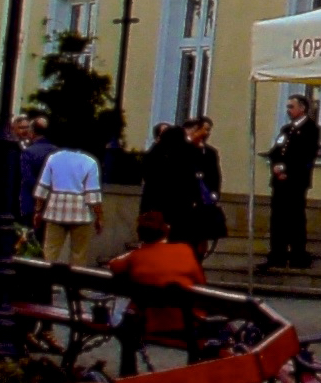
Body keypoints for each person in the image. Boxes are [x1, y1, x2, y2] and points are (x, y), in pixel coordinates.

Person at [107, 209, 206, 366]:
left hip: (151, 323)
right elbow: (201, 283)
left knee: (126, 322)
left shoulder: (135, 257)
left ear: (139, 233)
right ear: (166, 229)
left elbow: (113, 265)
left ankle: (128, 373)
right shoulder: (185, 251)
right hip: (189, 325)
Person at [265, 94, 321, 269]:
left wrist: (287, 171)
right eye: (288, 106)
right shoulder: (286, 129)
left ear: (302, 108)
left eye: (291, 106)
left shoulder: (311, 129)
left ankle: (298, 254)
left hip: (296, 181)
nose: (288, 110)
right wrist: (276, 167)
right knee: (278, 218)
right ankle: (277, 254)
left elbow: (305, 155)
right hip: (280, 182)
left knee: (295, 217)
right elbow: (276, 151)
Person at [34, 136, 105, 266]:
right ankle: (74, 283)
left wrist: (38, 211)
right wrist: (99, 217)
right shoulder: (90, 162)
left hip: (55, 209)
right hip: (80, 211)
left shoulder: (53, 158)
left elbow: (43, 187)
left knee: (50, 250)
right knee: (79, 253)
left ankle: (47, 281)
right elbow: (93, 193)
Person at [181, 116, 228, 260]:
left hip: (204, 204)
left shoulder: (210, 152)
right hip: (185, 203)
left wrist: (214, 195)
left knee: (201, 242)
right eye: (205, 129)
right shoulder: (182, 149)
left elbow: (215, 176)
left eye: (209, 130)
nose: (207, 133)